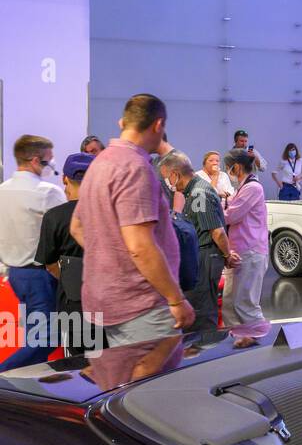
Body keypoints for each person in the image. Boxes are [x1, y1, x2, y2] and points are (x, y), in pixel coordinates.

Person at [72, 94, 194, 347]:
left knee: (127, 380)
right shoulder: (134, 168)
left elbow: (77, 227)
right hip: (142, 305)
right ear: (158, 125)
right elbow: (140, 247)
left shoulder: (98, 164)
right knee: (158, 384)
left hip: (111, 301)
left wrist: (113, 260)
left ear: (122, 123)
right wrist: (176, 299)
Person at [0, 135, 67, 369]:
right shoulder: (47, 192)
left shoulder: (2, 191)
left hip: (16, 274)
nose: (53, 164)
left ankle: (23, 397)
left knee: (35, 337)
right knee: (47, 338)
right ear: (37, 160)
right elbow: (65, 231)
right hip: (42, 274)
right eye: (50, 159)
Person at [159, 151, 238, 334]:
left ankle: (205, 350)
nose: (168, 185)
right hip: (202, 255)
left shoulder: (199, 193)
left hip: (205, 257)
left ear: (175, 174)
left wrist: (227, 254)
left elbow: (217, 232)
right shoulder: (195, 191)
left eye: (167, 179)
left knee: (203, 310)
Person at [35, 152, 95, 354]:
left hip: (72, 302)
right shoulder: (110, 213)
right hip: (109, 301)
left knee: (77, 363)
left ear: (65, 178)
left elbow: (49, 264)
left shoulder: (54, 217)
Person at [222, 149, 270, 344]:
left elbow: (231, 215)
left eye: (227, 168)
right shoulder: (242, 187)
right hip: (239, 251)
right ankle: (240, 337)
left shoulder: (253, 188)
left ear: (237, 167)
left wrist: (214, 210)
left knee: (245, 304)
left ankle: (263, 338)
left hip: (250, 251)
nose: (227, 172)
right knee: (229, 303)